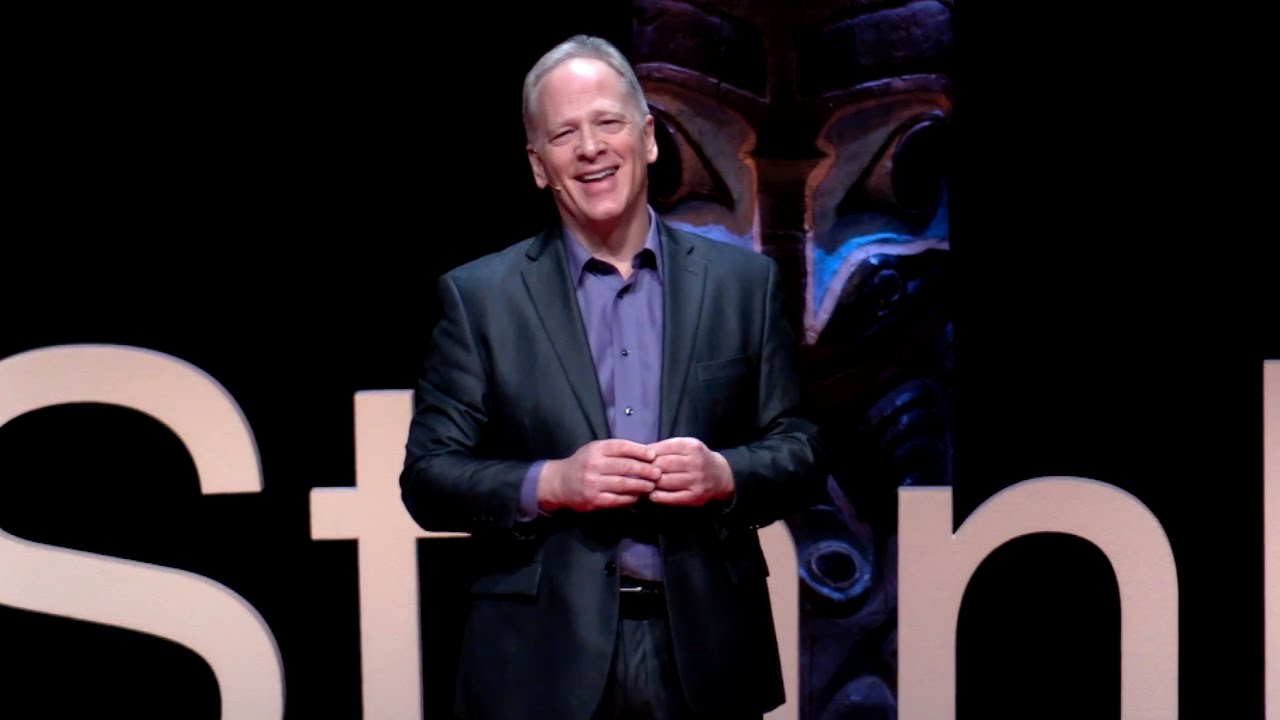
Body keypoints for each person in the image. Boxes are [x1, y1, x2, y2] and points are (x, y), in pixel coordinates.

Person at [400, 33, 825, 720]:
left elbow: (800, 451)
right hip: (541, 663)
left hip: (707, 655)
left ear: (648, 138)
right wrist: (552, 483)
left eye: (607, 122)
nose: (590, 148)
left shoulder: (743, 285)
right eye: (564, 134)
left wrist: (723, 473)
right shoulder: (480, 298)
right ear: (539, 166)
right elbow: (429, 478)